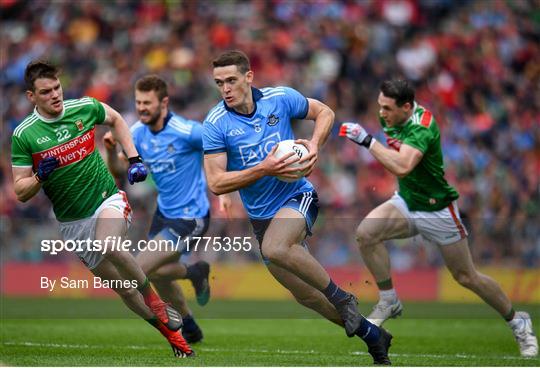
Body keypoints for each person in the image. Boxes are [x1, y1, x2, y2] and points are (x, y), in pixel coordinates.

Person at [202, 50, 392, 365]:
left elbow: (325, 112)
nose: (225, 89)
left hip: (297, 196)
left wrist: (315, 144)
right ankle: (374, 336)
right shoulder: (215, 123)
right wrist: (265, 168)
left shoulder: (280, 98)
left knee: (276, 247)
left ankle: (343, 298)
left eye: (232, 80)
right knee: (307, 296)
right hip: (261, 217)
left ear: (249, 77)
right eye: (219, 83)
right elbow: (217, 182)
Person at [340, 79, 538, 358]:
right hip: (407, 202)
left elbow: (404, 165)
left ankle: (518, 321)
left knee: (466, 276)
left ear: (407, 107)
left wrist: (367, 141)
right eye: (379, 107)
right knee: (366, 234)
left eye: (387, 108)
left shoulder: (423, 125)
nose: (381, 113)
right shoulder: (390, 115)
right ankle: (389, 300)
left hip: (437, 210)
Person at [11, 60, 194, 358]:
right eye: (45, 92)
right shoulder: (24, 135)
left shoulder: (83, 107)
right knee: (123, 288)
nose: (55, 95)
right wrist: (38, 176)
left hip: (107, 198)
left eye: (57, 87)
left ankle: (156, 301)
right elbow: (20, 191)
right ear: (32, 96)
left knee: (108, 243)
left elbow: (117, 119)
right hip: (73, 223)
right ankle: (171, 334)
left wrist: (134, 159)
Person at [104, 74, 232, 343]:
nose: (141, 108)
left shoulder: (188, 132)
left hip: (192, 215)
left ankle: (195, 274)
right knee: (160, 277)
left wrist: (227, 188)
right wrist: (110, 150)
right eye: (138, 102)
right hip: (164, 214)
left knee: (140, 268)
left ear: (164, 103)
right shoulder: (136, 133)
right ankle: (190, 324)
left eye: (147, 103)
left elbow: (222, 149)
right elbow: (118, 172)